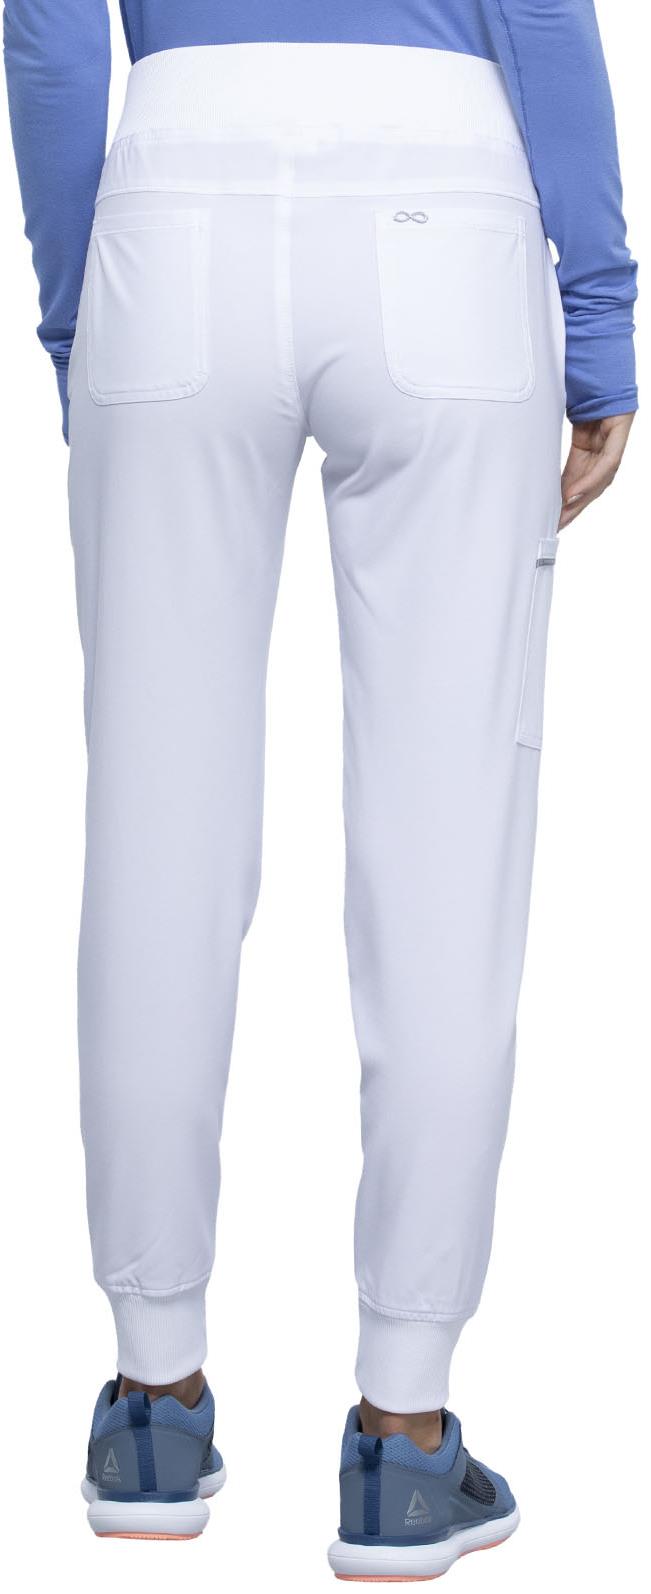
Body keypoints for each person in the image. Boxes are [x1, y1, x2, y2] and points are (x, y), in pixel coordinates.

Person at [3, 0, 636, 1570]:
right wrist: (601, 318)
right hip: (447, 194)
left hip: (176, 187)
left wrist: (88, 309)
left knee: (154, 822)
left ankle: (153, 1402)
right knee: (446, 843)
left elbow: (50, 30)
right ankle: (405, 1438)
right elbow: (540, 14)